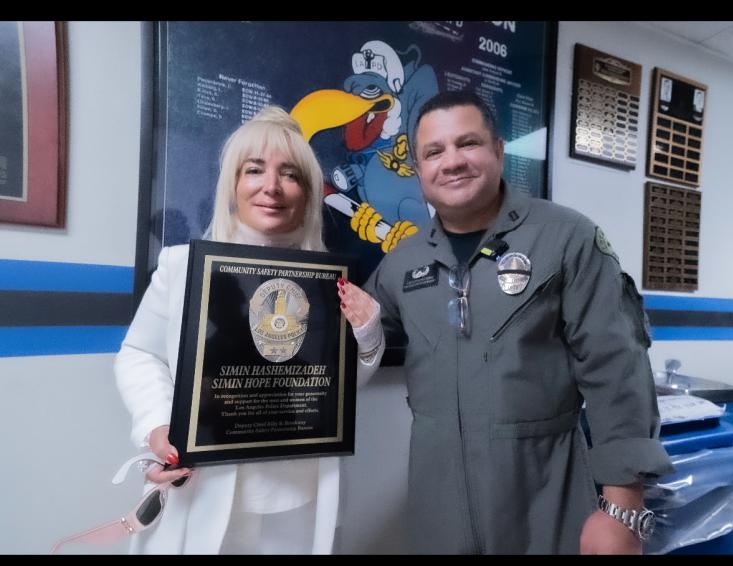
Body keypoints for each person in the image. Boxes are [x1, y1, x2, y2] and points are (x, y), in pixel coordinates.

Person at [342, 90, 675, 554]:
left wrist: (622, 508)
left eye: (468, 143)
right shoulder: (401, 263)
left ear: (498, 151)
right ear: (418, 171)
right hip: (436, 503)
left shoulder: (566, 238)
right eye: (434, 152)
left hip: (546, 497)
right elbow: (355, 342)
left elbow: (616, 368)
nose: (451, 161)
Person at [114, 106, 384, 554]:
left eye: (290, 174)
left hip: (297, 491)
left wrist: (369, 332)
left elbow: (338, 391)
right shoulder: (181, 267)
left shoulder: (331, 285)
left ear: (308, 192)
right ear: (233, 186)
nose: (271, 187)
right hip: (201, 482)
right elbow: (139, 353)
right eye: (254, 170)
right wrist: (156, 425)